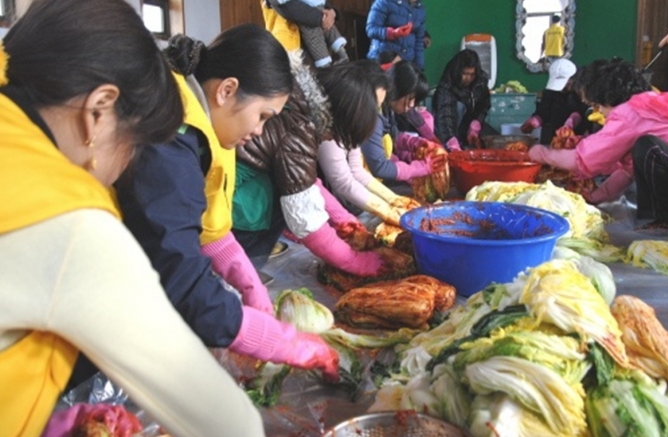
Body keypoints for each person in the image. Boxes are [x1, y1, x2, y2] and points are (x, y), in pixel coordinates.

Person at [0, 0, 265, 436]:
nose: (128, 169)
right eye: (135, 146)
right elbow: (229, 422)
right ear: (99, 110)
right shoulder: (69, 222)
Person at [113, 25, 339, 386]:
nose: (260, 131)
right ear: (227, 90)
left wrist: (248, 283)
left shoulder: (200, 125)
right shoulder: (169, 141)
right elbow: (180, 275)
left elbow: (208, 226)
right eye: (263, 115)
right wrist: (278, 341)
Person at [233, 55, 409, 274]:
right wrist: (359, 263)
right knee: (238, 272)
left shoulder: (303, 106)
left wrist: (342, 219)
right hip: (240, 210)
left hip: (240, 197)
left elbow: (302, 177)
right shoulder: (298, 127)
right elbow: (307, 221)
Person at [528, 59, 668, 229]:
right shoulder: (645, 103)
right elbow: (629, 169)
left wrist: (543, 154)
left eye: (597, 105)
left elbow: (585, 158)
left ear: (608, 97)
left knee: (649, 147)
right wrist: (598, 196)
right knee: (644, 147)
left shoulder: (630, 113)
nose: (599, 112)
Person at [317, 60, 421, 226]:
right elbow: (342, 182)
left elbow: (356, 170)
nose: (374, 114)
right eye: (373, 106)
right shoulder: (329, 125)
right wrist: (386, 210)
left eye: (378, 107)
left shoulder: (351, 121)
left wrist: (394, 199)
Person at [361, 60, 446, 183]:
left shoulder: (388, 108)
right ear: (397, 89)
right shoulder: (373, 115)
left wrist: (414, 143)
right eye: (410, 98)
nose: (411, 105)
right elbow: (379, 166)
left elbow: (393, 136)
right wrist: (420, 169)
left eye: (415, 100)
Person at [432, 48, 496, 150]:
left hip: (469, 126)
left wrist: (476, 123)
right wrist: (450, 139)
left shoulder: (480, 81)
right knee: (459, 107)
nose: (468, 78)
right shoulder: (447, 85)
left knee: (492, 141)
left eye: (472, 74)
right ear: (458, 71)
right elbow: (445, 116)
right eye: (465, 73)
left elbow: (484, 105)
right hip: (450, 127)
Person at [520, 58, 588, 145]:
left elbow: (585, 111)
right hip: (553, 136)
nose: (562, 89)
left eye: (565, 84)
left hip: (578, 138)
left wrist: (571, 122)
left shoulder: (583, 90)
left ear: (572, 79)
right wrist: (535, 121)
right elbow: (543, 111)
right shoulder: (550, 91)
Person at [365, 0, 427, 70]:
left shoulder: (420, 9)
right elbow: (371, 29)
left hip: (406, 64)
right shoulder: (385, 2)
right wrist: (392, 33)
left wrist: (419, 67)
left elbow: (419, 40)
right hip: (384, 60)